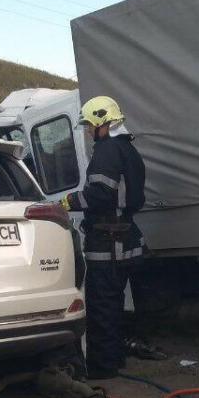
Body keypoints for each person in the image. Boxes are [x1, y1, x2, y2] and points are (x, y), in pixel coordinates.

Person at [59, 96, 146, 379]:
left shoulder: (106, 150)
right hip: (127, 240)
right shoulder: (129, 150)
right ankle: (116, 358)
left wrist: (67, 202)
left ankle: (104, 368)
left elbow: (98, 194)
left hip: (108, 245)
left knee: (102, 307)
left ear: (102, 123)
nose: (87, 131)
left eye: (89, 126)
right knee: (115, 305)